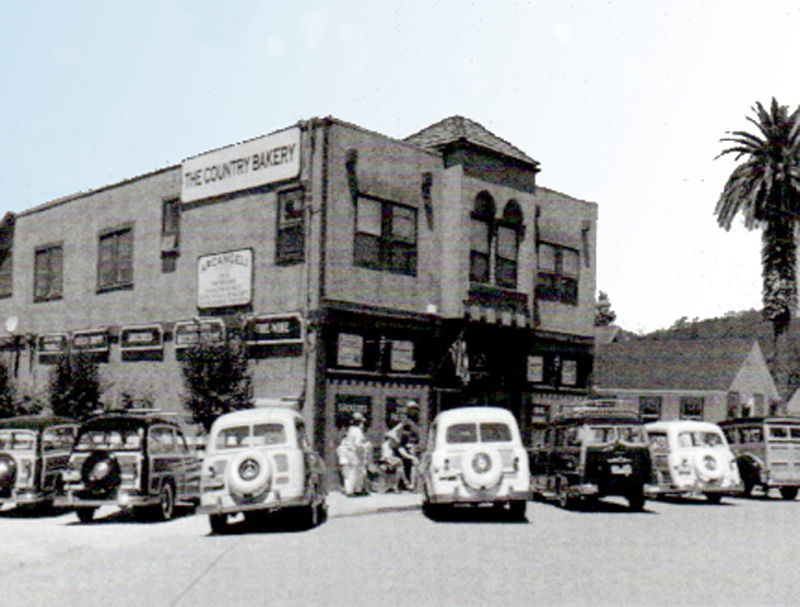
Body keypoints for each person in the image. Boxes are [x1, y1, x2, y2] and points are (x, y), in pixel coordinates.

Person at [336, 412, 370, 496]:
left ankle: (352, 490)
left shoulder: (350, 430)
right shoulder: (358, 431)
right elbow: (357, 444)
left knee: (348, 473)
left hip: (345, 453)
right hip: (353, 453)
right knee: (354, 472)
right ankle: (352, 491)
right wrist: (365, 446)